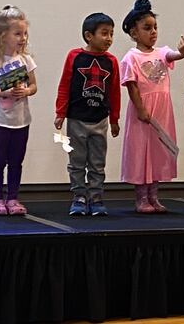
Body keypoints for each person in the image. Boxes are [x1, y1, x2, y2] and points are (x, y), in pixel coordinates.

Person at [119, 0, 184, 213]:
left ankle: (154, 195)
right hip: (143, 111)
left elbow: (172, 55)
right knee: (141, 151)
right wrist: (140, 108)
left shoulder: (161, 52)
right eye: (147, 28)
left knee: (158, 151)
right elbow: (131, 85)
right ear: (134, 32)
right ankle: (141, 197)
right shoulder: (131, 57)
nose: (153, 32)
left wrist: (182, 52)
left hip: (161, 110)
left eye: (155, 27)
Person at [55, 13, 121, 216]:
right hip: (76, 118)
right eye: (104, 33)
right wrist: (60, 112)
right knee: (76, 161)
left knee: (97, 162)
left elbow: (114, 91)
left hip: (99, 119)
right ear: (88, 35)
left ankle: (96, 197)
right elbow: (65, 84)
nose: (109, 38)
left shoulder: (111, 61)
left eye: (111, 34)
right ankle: (79, 197)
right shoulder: (75, 57)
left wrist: (114, 119)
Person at [0, 5, 37, 216]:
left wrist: (26, 91)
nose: (22, 38)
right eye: (17, 33)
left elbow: (33, 86)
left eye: (25, 33)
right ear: (3, 35)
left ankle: (12, 197)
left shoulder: (26, 60)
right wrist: (2, 91)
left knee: (16, 161)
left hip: (21, 119)